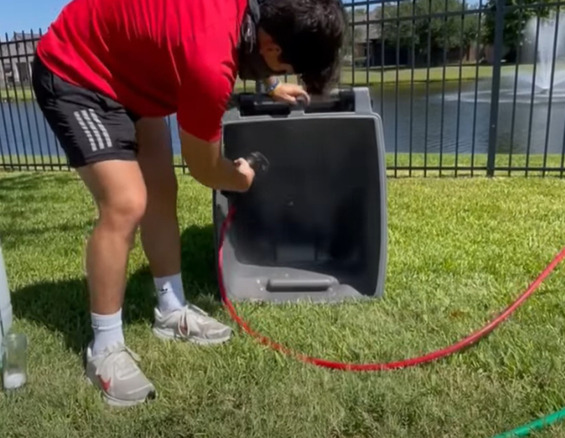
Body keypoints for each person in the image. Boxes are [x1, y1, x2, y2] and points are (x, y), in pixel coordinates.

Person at [31, 0, 345, 407]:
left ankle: (170, 309)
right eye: (287, 68)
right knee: (126, 203)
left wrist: (269, 86)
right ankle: (105, 348)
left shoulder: (248, 18)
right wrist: (240, 178)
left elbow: (241, 40)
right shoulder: (209, 65)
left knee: (161, 192)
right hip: (77, 71)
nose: (285, 75)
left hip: (130, 71)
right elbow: (206, 169)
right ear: (272, 48)